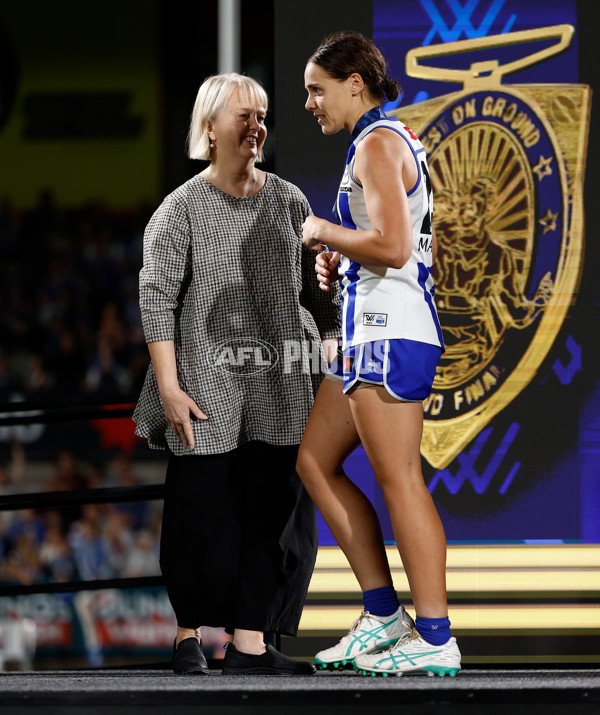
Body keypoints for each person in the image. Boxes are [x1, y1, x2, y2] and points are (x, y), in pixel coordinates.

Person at [133, 73, 340, 676]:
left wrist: (327, 348)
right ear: (209, 128)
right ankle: (188, 636)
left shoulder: (290, 201)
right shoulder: (180, 210)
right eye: (244, 116)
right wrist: (169, 387)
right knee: (200, 514)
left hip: (280, 385)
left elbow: (318, 298)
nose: (257, 127)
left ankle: (250, 643)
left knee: (273, 517)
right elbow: (157, 302)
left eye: (263, 116)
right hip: (206, 385)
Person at [296, 31, 461, 677]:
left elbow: (394, 247)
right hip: (373, 327)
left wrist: (322, 230)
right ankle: (383, 614)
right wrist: (344, 260)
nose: (310, 102)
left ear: (353, 83)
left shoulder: (378, 142)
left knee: (400, 482)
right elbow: (412, 249)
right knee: (315, 460)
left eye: (317, 89)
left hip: (390, 333)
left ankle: (435, 632)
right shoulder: (383, 140)